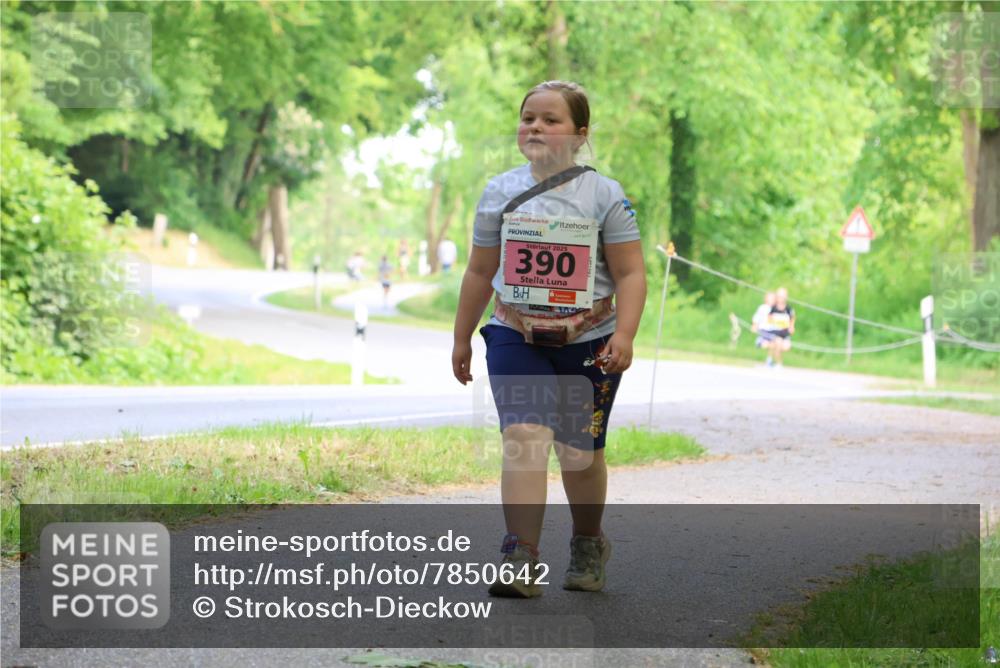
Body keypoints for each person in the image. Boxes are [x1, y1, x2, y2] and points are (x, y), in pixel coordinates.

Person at [452, 80, 646, 598]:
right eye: (527, 118)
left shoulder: (606, 195)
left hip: (590, 341)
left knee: (578, 455)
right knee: (524, 440)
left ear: (580, 134)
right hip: (515, 333)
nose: (535, 126)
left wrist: (624, 333)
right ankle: (521, 555)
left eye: (550, 119)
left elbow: (630, 274)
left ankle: (587, 542)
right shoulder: (499, 191)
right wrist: (462, 337)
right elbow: (478, 271)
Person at [765, 287, 795, 368]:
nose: (781, 298)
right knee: (777, 342)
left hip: (785, 334)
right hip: (775, 333)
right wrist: (774, 322)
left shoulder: (788, 308)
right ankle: (779, 363)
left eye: (783, 296)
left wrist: (791, 326)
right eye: (779, 296)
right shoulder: (773, 308)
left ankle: (770, 359)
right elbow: (769, 318)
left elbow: (792, 318)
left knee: (786, 347)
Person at [750, 291, 777, 366]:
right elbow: (757, 318)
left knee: (773, 344)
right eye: (770, 298)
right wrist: (754, 325)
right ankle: (759, 341)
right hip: (763, 330)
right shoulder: (762, 308)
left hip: (772, 331)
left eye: (773, 298)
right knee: (767, 344)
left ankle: (770, 360)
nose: (771, 300)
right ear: (766, 299)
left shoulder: (776, 309)